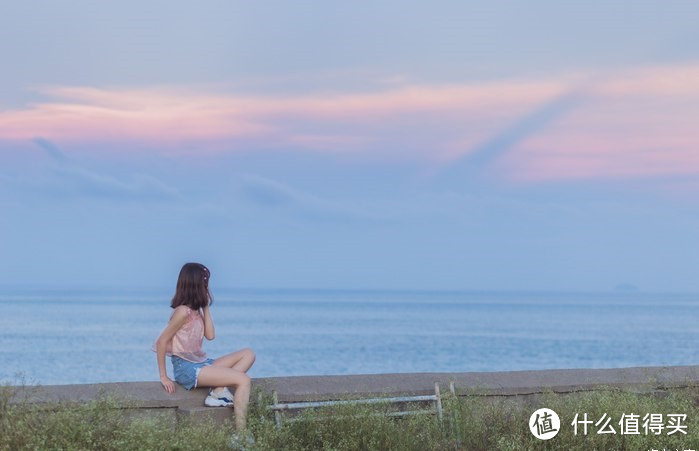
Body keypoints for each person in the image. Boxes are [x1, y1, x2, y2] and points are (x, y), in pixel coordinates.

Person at [154, 262, 255, 432]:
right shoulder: (182, 312)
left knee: (248, 354)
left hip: (201, 363)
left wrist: (206, 306)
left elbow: (210, 335)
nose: (207, 287)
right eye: (204, 283)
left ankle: (218, 392)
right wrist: (163, 376)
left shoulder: (195, 311)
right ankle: (241, 436)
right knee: (243, 380)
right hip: (187, 368)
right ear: (196, 284)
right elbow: (161, 342)